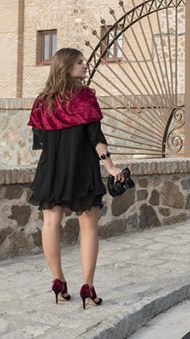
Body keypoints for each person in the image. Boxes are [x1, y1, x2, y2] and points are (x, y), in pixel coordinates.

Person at [27, 47, 125, 309]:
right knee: (89, 227)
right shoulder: (85, 97)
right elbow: (96, 138)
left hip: (51, 168)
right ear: (67, 66)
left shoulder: (42, 101)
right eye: (80, 62)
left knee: (50, 224)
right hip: (82, 168)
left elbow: (40, 143)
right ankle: (88, 287)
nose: (85, 65)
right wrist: (111, 167)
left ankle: (58, 282)